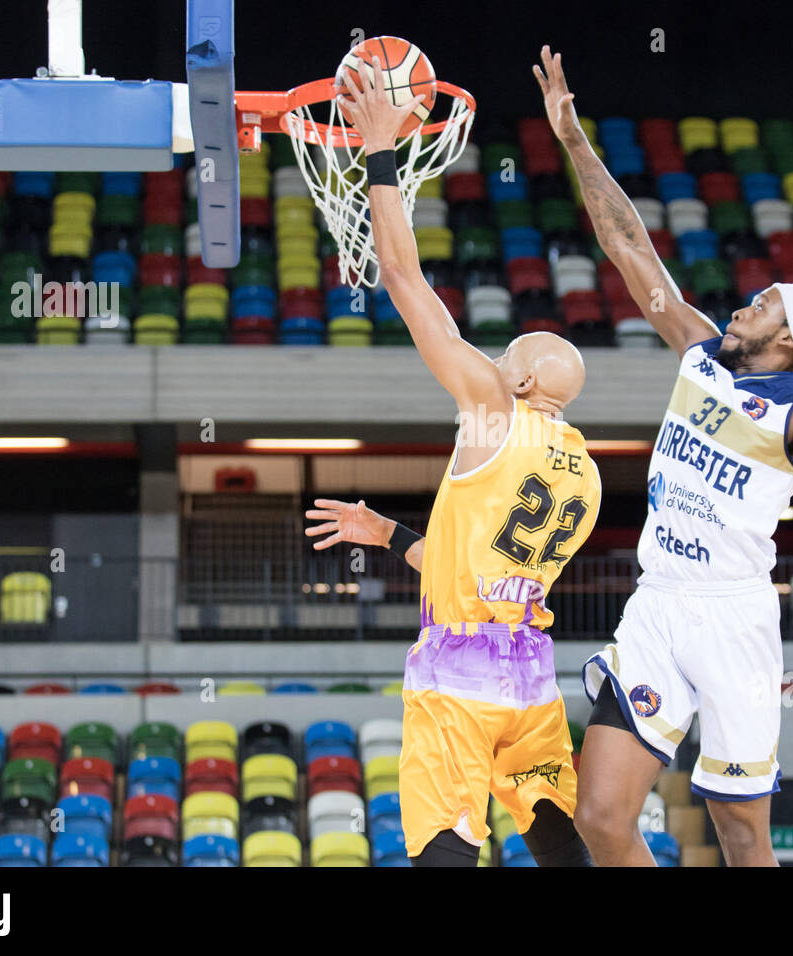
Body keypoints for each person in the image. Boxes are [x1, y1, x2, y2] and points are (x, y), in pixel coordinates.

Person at [533, 46, 793, 866]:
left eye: (764, 304)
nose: (745, 301)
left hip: (733, 618)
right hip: (659, 603)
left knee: (738, 830)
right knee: (602, 816)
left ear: (789, 340)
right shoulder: (700, 352)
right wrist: (574, 139)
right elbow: (629, 250)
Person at [317, 59, 600, 867]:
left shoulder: (492, 405)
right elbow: (478, 559)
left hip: (459, 671)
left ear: (517, 379)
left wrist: (377, 152)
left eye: (504, 351)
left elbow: (404, 279)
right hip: (531, 671)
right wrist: (389, 533)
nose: (489, 356)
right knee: (551, 832)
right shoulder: (581, 468)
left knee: (444, 840)